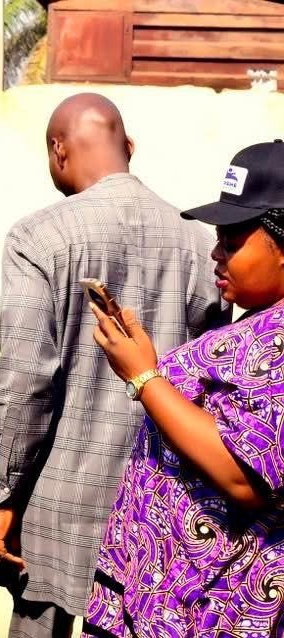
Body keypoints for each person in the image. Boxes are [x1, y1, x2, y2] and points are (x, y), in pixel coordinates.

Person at [0, 93, 226, 637]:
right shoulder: (201, 243)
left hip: (57, 510)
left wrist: (6, 495)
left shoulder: (38, 237)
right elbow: (208, 385)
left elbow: (24, 384)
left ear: (58, 150)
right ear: (130, 148)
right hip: (159, 511)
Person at [85, 140, 284, 637]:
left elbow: (245, 476)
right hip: (168, 591)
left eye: (232, 241)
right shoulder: (260, 319)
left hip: (218, 605)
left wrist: (145, 378)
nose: (216, 253)